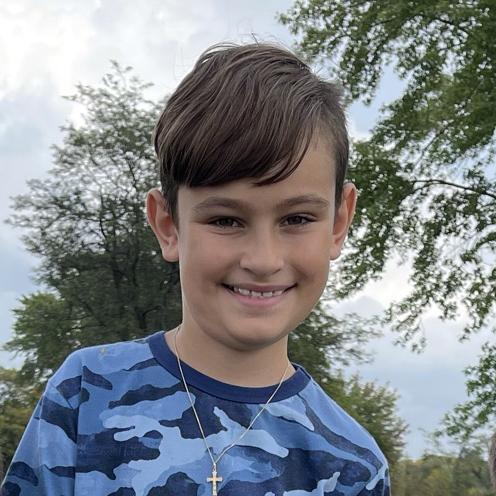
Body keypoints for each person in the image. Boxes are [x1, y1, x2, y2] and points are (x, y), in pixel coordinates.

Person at [1, 41, 390, 495]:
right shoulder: (84, 392)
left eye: (297, 219)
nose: (263, 260)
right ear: (168, 225)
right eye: (225, 220)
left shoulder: (355, 468)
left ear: (339, 222)